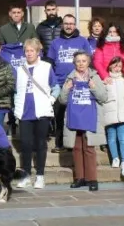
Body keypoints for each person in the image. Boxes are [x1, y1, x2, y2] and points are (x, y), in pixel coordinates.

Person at [59, 51, 107, 192]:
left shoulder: (95, 77)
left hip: (90, 116)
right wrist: (66, 90)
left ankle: (92, 179)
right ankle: (80, 178)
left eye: (83, 61)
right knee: (77, 148)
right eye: (78, 61)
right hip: (74, 117)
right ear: (74, 63)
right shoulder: (70, 78)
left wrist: (93, 87)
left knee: (89, 148)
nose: (81, 63)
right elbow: (62, 100)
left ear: (88, 62)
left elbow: (103, 97)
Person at [14, 38, 59, 190]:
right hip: (24, 112)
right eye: (26, 51)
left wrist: (51, 101)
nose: (29, 53)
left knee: (40, 144)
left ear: (38, 51)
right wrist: (16, 106)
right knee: (26, 144)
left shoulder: (46, 67)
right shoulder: (20, 69)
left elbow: (56, 87)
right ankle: (26, 175)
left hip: (42, 111)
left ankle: (40, 176)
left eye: (32, 50)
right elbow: (16, 90)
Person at [47, 14, 90, 153]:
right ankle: (59, 144)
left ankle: (74, 145)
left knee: (75, 115)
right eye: (66, 23)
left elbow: (88, 62)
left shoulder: (82, 41)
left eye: (71, 23)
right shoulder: (55, 43)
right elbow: (50, 64)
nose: (69, 26)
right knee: (59, 115)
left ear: (75, 25)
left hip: (78, 83)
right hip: (60, 84)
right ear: (62, 25)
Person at [102, 57, 124, 178]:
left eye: (119, 65)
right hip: (109, 112)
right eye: (115, 65)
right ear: (110, 66)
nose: (117, 68)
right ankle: (115, 157)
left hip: (123, 113)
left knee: (123, 138)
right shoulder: (105, 80)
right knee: (111, 138)